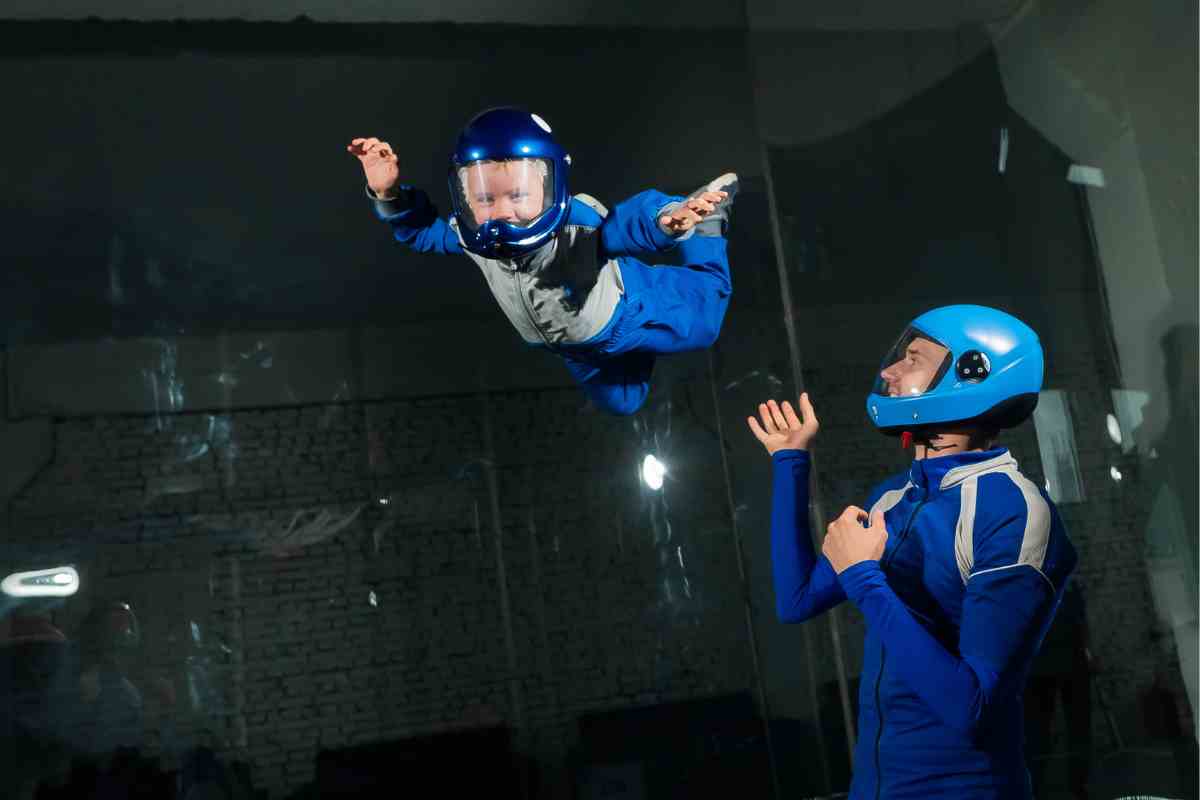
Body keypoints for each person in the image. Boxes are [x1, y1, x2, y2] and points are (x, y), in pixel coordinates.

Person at [748, 304, 1078, 799]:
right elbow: (795, 601)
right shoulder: (895, 495)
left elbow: (972, 707)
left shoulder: (1015, 513)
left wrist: (862, 577)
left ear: (971, 373)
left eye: (913, 359)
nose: (889, 371)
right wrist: (791, 462)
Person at [347, 106, 737, 415]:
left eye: (517, 196)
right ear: (465, 197)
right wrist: (389, 193)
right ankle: (641, 347)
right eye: (485, 198)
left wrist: (665, 218)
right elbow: (423, 233)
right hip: (573, 347)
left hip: (626, 310)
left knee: (706, 322)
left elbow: (623, 224)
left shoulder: (576, 225)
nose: (501, 211)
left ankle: (706, 231)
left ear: (551, 187)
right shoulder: (473, 238)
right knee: (623, 403)